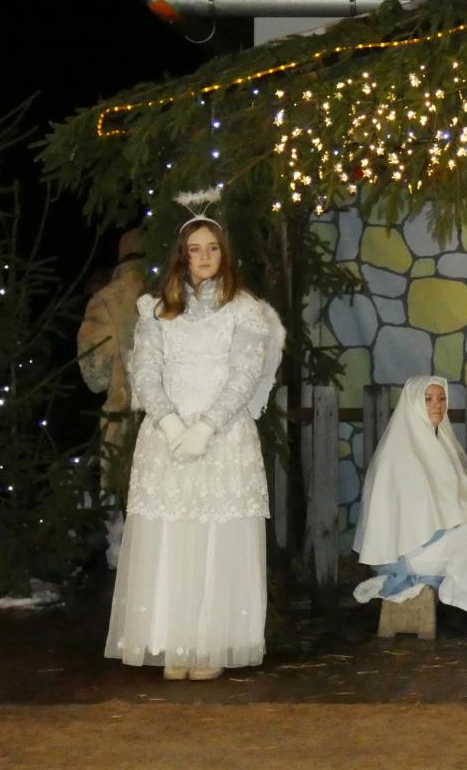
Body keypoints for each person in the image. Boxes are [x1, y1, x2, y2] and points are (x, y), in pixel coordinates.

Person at [105, 212, 284, 680]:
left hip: (222, 439)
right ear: (182, 256)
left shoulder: (245, 309)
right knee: (171, 537)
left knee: (216, 538)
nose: (204, 257)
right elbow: (146, 371)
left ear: (224, 253)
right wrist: (169, 424)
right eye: (195, 249)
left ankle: (211, 644)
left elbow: (245, 374)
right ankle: (174, 643)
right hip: (168, 440)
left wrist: (206, 428)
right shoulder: (157, 309)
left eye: (212, 248)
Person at [352, 376, 467, 639]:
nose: (437, 405)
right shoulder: (396, 454)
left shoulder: (439, 442)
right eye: (428, 399)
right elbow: (418, 510)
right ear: (413, 404)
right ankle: (461, 612)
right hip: (412, 548)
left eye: (442, 398)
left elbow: (458, 490)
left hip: (442, 534)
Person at [77, 227, 147, 569]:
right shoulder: (177, 293)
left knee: (123, 523)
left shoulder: (106, 300)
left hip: (123, 423)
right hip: (177, 424)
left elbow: (93, 376)